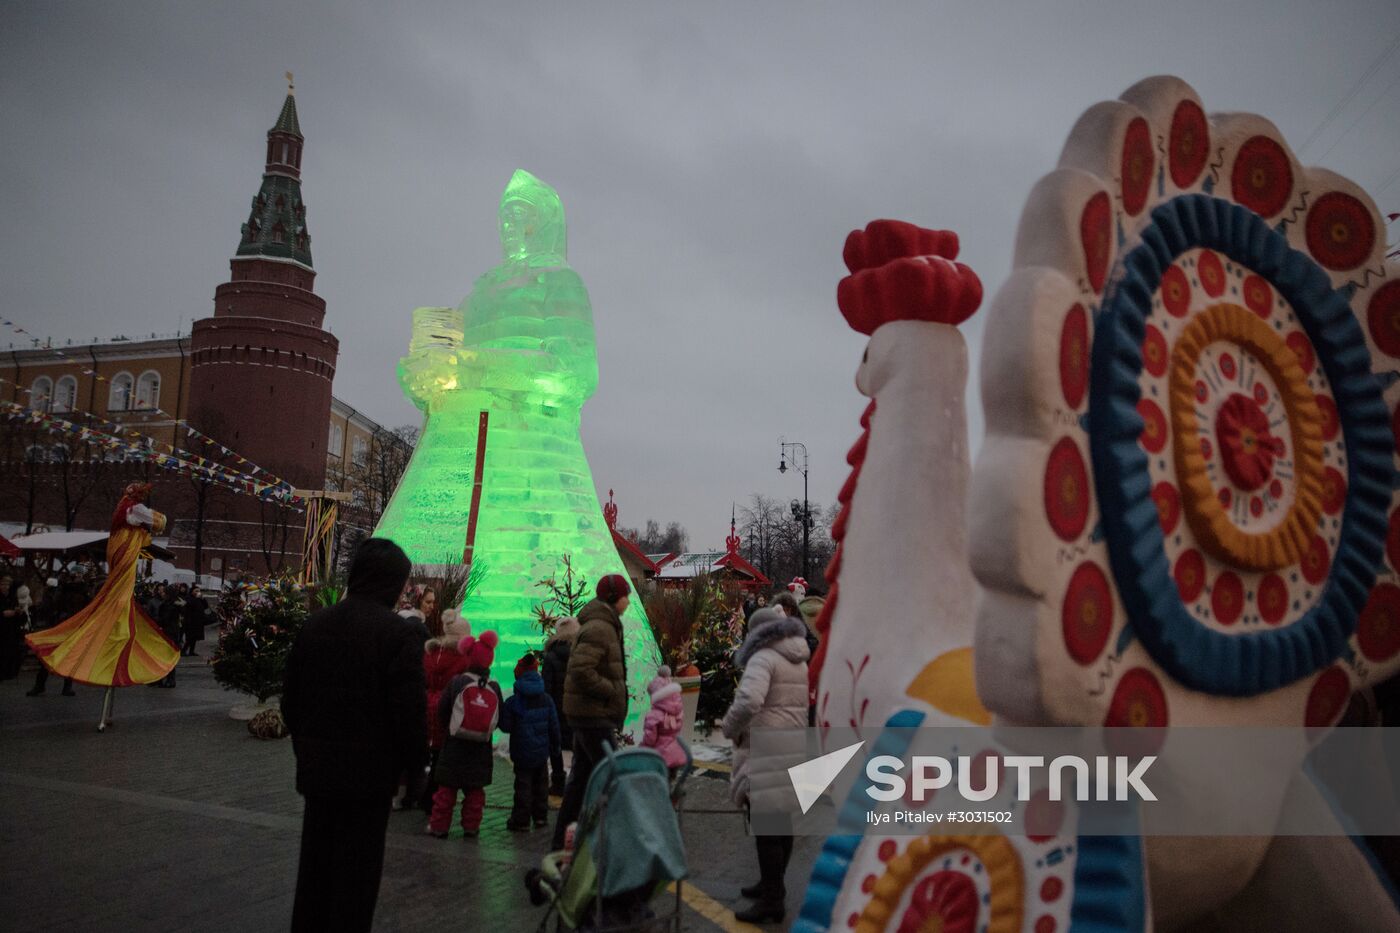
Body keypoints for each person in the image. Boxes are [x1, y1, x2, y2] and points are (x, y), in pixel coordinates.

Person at [282, 537, 426, 933]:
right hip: (369, 781)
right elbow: (409, 711)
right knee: (355, 882)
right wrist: (415, 769)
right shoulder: (398, 634)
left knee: (314, 873)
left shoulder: (315, 625)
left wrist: (306, 749)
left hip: (318, 776)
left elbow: (291, 701)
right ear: (394, 584)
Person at [722, 606, 811, 924]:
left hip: (766, 747)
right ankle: (772, 886)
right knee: (780, 821)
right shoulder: (797, 658)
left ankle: (773, 900)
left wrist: (729, 728)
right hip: (791, 744)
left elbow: (749, 701)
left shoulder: (762, 658)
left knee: (765, 826)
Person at [553, 574, 631, 849]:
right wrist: (610, 689)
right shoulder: (600, 628)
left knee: (579, 782)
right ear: (613, 597)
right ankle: (617, 842)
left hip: (590, 714)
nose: (629, 601)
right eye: (626, 595)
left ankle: (563, 841)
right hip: (592, 715)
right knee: (612, 774)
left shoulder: (604, 624)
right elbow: (581, 669)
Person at [428, 630, 503, 838]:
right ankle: (471, 827)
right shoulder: (494, 687)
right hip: (480, 750)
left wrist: (451, 729)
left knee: (446, 792)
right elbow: (499, 719)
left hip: (454, 747)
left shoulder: (457, 682)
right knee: (475, 793)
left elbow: (442, 711)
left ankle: (439, 827)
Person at [409, 609, 472, 812]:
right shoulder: (463, 659)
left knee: (433, 753)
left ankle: (419, 793)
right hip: (450, 709)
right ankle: (433, 799)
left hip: (428, 705)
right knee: (443, 757)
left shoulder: (432, 653)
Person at [501, 652, 560, 830]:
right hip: (541, 752)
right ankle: (541, 817)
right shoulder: (547, 699)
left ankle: (521, 820)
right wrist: (555, 747)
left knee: (523, 786)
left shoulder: (514, 702)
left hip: (521, 751)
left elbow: (505, 726)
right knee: (541, 785)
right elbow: (554, 726)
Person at [541, 615, 579, 795]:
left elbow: (546, 686)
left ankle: (558, 782)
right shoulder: (581, 654)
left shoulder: (550, 656)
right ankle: (577, 783)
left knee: (555, 748)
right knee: (577, 746)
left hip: (556, 708)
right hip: (576, 708)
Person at [27, 579, 77, 696]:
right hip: (58, 627)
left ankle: (65, 686)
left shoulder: (78, 592)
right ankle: (41, 685)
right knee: (48, 657)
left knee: (65, 657)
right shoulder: (56, 593)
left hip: (66, 628)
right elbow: (49, 608)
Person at [641, 665, 686, 779]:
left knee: (657, 783)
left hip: (659, 756)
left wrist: (643, 748)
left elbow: (650, 738)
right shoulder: (677, 712)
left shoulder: (654, 715)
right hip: (675, 754)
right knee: (669, 782)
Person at [181, 585, 213, 657]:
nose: (198, 592)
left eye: (199, 591)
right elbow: (189, 606)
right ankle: (183, 650)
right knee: (190, 638)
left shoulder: (199, 599)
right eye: (196, 591)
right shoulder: (189, 598)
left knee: (195, 638)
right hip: (190, 621)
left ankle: (191, 651)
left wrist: (203, 599)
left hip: (198, 621)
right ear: (192, 591)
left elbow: (205, 606)